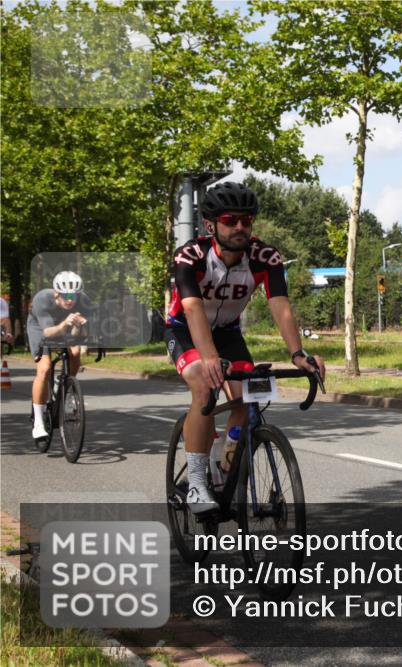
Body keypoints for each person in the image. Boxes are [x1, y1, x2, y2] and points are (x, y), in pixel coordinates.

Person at [166, 181, 325, 513]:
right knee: (202, 383)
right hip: (185, 329)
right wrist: (209, 358)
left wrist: (298, 353)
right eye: (230, 219)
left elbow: (279, 304)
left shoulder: (265, 257)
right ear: (211, 225)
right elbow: (193, 308)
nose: (240, 227)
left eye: (246, 220)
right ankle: (196, 484)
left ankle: (222, 466)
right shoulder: (191, 256)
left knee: (249, 399)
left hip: (227, 332)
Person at [26, 271, 93, 439]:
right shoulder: (42, 299)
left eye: (74, 295)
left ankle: (65, 385)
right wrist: (65, 323)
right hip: (41, 328)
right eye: (65, 295)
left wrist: (82, 326)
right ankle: (39, 423)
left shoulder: (83, 302)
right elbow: (48, 332)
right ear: (57, 293)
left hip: (64, 323)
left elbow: (81, 335)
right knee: (44, 368)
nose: (70, 299)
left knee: (76, 351)